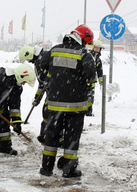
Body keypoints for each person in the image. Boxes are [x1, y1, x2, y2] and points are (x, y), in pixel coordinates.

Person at [38, 24, 96, 178]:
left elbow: (40, 66)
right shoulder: (84, 54)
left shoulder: (55, 50)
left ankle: (46, 168)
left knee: (51, 137)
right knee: (71, 139)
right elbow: (91, 79)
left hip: (55, 104)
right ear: (83, 39)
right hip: (75, 107)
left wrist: (47, 80)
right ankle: (68, 170)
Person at [19, 45, 49, 143]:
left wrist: (49, 80)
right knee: (47, 112)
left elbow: (49, 76)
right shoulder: (38, 61)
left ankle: (48, 136)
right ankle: (44, 135)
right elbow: (41, 83)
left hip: (56, 90)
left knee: (50, 112)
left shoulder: (44, 58)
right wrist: (37, 98)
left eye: (28, 60)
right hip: (51, 90)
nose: (29, 62)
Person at [85, 40, 104, 116]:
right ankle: (84, 110)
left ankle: (88, 111)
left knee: (90, 96)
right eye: (96, 48)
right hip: (85, 80)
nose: (97, 49)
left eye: (98, 48)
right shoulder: (88, 55)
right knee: (85, 96)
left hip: (92, 80)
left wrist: (101, 81)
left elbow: (100, 71)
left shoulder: (98, 59)